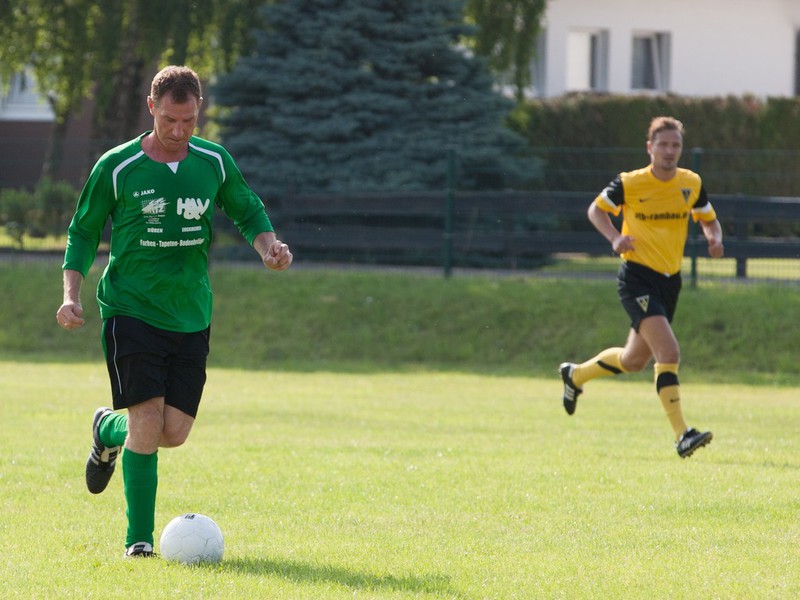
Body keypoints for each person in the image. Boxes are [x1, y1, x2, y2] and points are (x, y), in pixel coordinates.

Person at [56, 65, 293, 557]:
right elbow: (83, 231)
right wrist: (71, 294)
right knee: (147, 420)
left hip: (190, 312)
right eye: (169, 120)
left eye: (188, 121)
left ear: (198, 110)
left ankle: (106, 429)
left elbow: (247, 210)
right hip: (130, 308)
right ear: (151, 107)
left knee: (173, 432)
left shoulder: (214, 162)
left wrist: (269, 247)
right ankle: (138, 542)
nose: (179, 131)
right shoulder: (118, 166)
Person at [559, 116, 724, 459]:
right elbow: (595, 211)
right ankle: (682, 435)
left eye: (675, 145)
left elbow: (708, 217)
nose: (669, 151)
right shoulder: (630, 183)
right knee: (669, 353)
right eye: (663, 144)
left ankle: (575, 375)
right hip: (637, 277)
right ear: (650, 147)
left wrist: (714, 238)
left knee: (633, 360)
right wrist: (614, 237)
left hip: (670, 281)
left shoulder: (690, 183)